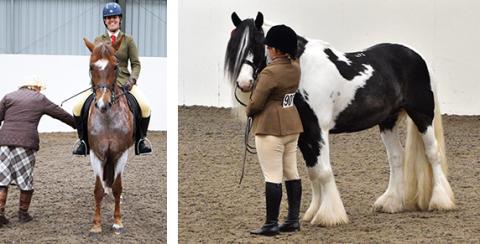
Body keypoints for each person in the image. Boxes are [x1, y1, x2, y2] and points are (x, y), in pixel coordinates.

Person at [72, 2, 152, 156]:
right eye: (108, 18)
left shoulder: (128, 40)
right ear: (104, 21)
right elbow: (95, 65)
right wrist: (95, 83)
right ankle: (83, 142)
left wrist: (132, 80)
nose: (111, 20)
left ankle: (141, 140)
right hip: (102, 84)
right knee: (77, 106)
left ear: (120, 19)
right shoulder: (98, 40)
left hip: (125, 83)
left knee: (146, 106)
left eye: (114, 17)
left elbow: (136, 64)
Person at [246, 25, 303, 236]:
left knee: (272, 175)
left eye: (269, 46)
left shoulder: (270, 72)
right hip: (292, 124)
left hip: (271, 128)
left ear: (276, 49)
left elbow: (256, 104)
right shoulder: (295, 67)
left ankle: (271, 224)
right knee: (292, 172)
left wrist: (248, 110)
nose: (267, 49)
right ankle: (293, 220)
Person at [0, 77, 76, 227]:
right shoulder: (40, 99)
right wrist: (78, 125)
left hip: (3, 143)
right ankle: (23, 214)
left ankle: (0, 214)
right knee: (25, 178)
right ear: (35, 87)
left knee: (2, 179)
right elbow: (60, 114)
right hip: (26, 143)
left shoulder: (9, 96)